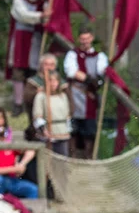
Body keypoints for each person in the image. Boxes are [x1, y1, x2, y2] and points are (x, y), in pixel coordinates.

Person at [63, 29, 110, 159]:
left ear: (91, 38)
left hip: (90, 96)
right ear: (79, 39)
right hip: (75, 94)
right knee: (73, 128)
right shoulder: (73, 54)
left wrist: (100, 77)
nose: (85, 42)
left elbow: (102, 70)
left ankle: (89, 157)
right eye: (82, 39)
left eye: (87, 38)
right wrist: (89, 79)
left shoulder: (99, 56)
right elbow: (71, 71)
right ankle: (72, 157)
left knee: (89, 130)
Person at [6, 0, 50, 116]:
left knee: (33, 72)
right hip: (21, 39)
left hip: (35, 39)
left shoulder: (43, 3)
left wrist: (47, 15)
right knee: (18, 71)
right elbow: (24, 15)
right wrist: (41, 15)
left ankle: (31, 103)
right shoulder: (19, 1)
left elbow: (49, 18)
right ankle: (18, 103)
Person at [0, 109, 38, 198]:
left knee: (33, 189)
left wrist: (22, 164)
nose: (1, 138)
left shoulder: (9, 147)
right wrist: (14, 169)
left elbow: (31, 151)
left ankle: (30, 211)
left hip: (12, 181)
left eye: (3, 135)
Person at [32, 66, 72, 158]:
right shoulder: (41, 96)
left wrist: (68, 128)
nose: (53, 83)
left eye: (55, 81)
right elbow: (37, 116)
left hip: (62, 133)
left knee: (62, 160)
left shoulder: (63, 96)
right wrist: (43, 129)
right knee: (47, 161)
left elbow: (67, 115)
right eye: (50, 81)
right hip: (48, 133)